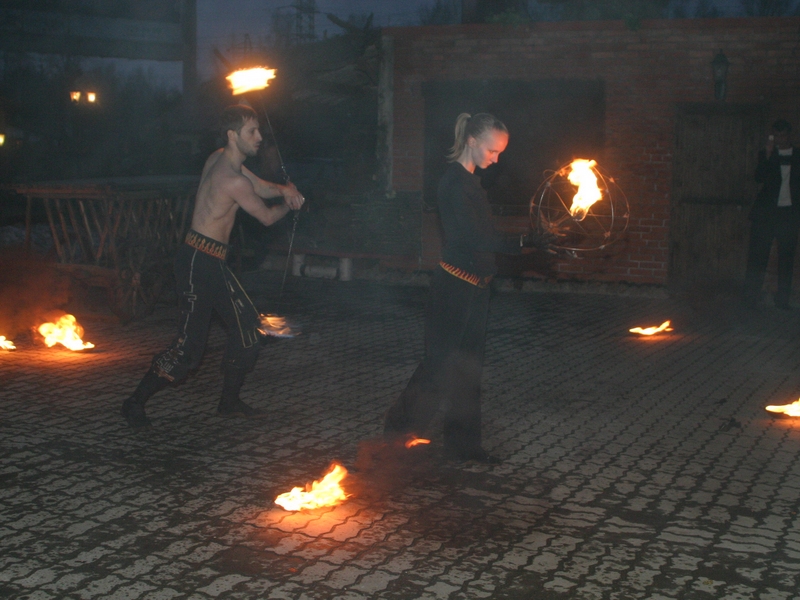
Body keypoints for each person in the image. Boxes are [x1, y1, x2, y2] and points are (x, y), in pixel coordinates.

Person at [121, 104, 305, 427]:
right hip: (197, 263)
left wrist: (285, 190)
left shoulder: (220, 158)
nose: (259, 137)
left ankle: (229, 403)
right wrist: (290, 206)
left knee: (248, 330)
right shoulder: (231, 179)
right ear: (233, 135)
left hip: (211, 260)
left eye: (259, 130)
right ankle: (134, 402)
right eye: (252, 131)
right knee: (188, 350)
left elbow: (260, 186)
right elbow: (266, 216)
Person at [383, 112, 552, 462]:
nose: (496, 159)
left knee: (468, 369)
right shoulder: (453, 184)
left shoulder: (472, 183)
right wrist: (524, 242)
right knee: (438, 367)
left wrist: (528, 242)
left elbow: (486, 237)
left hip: (477, 289)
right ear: (472, 142)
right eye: (492, 150)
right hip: (453, 290)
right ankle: (396, 439)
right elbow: (474, 238)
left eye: (500, 152)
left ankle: (463, 445)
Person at [743, 119, 800, 309]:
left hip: (788, 214)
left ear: (789, 135)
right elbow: (759, 178)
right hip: (766, 214)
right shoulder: (767, 154)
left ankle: (782, 300)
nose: (780, 140)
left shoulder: (797, 155)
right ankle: (751, 298)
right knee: (758, 257)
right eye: (776, 136)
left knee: (786, 258)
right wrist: (768, 155)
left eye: (783, 136)